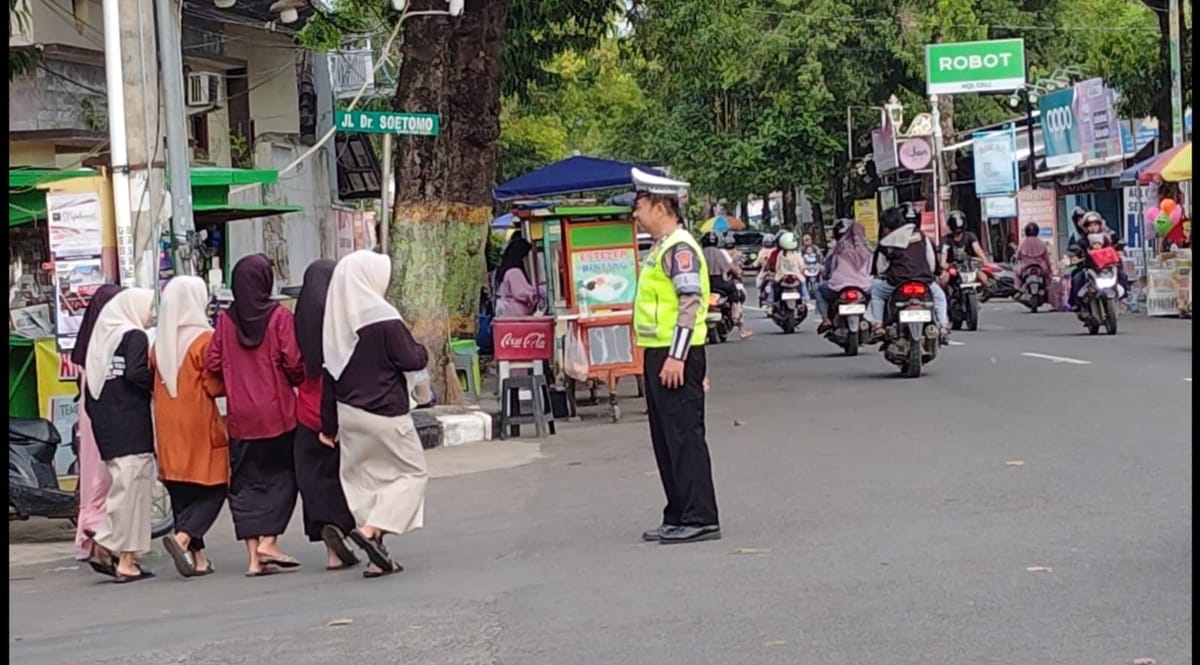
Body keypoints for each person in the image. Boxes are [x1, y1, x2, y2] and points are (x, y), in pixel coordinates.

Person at [321, 250, 430, 578]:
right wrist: (423, 349)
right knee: (412, 474)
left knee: (365, 481)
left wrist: (327, 424)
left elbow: (329, 373)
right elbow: (412, 359)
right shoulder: (383, 317)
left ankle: (377, 557)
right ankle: (371, 531)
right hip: (386, 412)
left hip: (349, 414)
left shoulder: (337, 320)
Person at [631, 184, 720, 545]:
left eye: (640, 206)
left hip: (675, 354)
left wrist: (678, 356)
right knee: (666, 439)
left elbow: (690, 303)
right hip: (661, 352)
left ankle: (700, 516)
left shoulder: (680, 248)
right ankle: (679, 513)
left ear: (660, 207)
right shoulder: (661, 248)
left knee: (684, 436)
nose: (635, 214)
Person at [206, 254, 304, 577]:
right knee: (285, 479)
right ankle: (270, 541)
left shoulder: (225, 321)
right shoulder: (279, 318)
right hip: (278, 416)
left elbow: (213, 362)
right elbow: (293, 362)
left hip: (240, 419)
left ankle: (252, 559)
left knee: (245, 486)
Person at [150, 276, 228, 579]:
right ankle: (183, 538)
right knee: (216, 487)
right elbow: (213, 384)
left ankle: (200, 559)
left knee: (182, 493)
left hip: (169, 428)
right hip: (199, 423)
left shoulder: (160, 344)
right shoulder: (204, 341)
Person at [83, 287, 157, 583]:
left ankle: (127, 557)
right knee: (131, 489)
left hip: (108, 424)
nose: (151, 315)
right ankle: (107, 544)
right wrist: (161, 382)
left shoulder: (103, 339)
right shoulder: (134, 336)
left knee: (127, 486)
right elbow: (137, 374)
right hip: (131, 423)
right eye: (150, 308)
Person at [293, 259, 359, 571]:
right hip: (341, 407)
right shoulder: (343, 318)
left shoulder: (298, 320)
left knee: (315, 480)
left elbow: (292, 365)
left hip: (306, 411)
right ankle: (352, 531)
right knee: (345, 475)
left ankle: (331, 551)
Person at [70, 284, 122, 562]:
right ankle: (100, 532)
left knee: (94, 476)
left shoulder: (88, 343)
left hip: (89, 417)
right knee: (109, 475)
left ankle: (91, 531)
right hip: (110, 417)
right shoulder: (115, 341)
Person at [866, 206, 950, 337]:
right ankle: (943, 326)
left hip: (897, 282)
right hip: (924, 281)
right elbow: (932, 263)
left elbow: (880, 269)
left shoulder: (886, 242)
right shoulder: (922, 236)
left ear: (886, 226)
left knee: (876, 291)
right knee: (939, 297)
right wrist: (936, 274)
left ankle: (878, 325)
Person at [815, 219, 874, 334]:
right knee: (876, 296)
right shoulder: (867, 250)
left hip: (839, 285)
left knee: (819, 290)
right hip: (864, 286)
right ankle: (875, 322)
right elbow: (873, 270)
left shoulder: (837, 249)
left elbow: (830, 269)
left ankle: (825, 319)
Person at [701, 232, 751, 339]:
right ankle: (735, 314)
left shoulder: (699, 253)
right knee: (734, 291)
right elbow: (729, 268)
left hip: (704, 284)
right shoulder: (720, 253)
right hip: (720, 283)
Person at [938, 211, 991, 289]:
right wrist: (948, 266)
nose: (958, 235)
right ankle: (945, 297)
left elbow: (978, 250)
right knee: (944, 279)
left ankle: (985, 293)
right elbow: (943, 261)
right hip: (953, 268)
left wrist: (984, 262)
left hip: (969, 267)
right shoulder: (946, 240)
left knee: (984, 278)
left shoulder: (970, 236)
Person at [494, 236, 540, 317]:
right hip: (516, 313)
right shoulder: (514, 271)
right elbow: (519, 293)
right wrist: (533, 295)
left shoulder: (505, 270)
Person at [768, 231, 808, 303]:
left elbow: (777, 266)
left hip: (782, 276)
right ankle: (806, 300)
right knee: (803, 284)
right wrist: (802, 271)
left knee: (773, 286)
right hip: (796, 276)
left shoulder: (780, 254)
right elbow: (802, 265)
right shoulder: (797, 254)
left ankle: (770, 302)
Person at [1014, 222, 1054, 290]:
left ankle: (1018, 288)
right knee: (1048, 279)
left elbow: (1017, 256)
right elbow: (1047, 259)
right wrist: (1050, 271)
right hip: (1041, 268)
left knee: (1015, 271)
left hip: (1025, 268)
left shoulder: (1022, 243)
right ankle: (1047, 288)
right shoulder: (1042, 243)